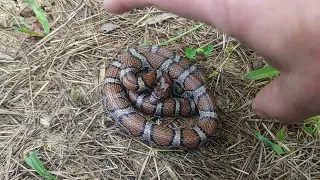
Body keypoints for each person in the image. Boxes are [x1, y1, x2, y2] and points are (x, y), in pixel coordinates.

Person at [103, 0, 320, 124]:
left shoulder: (153, 76)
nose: (155, 99)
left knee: (173, 90)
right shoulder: (138, 75)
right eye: (159, 95)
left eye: (158, 95)